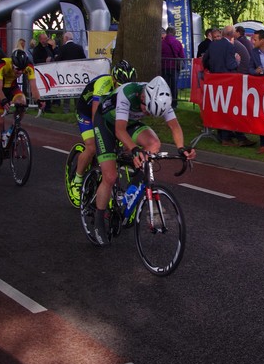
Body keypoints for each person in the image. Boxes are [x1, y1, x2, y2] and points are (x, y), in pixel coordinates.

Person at [88, 76, 196, 245]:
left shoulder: (161, 97)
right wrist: (134, 149)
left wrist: (181, 148)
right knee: (110, 176)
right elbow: (119, 130)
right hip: (106, 123)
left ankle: (133, 187)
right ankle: (99, 220)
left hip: (130, 122)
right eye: (147, 109)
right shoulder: (128, 93)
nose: (147, 114)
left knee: (153, 144)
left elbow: (174, 126)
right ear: (143, 97)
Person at [68, 59, 137, 205]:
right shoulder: (103, 83)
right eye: (120, 85)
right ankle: (77, 180)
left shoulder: (132, 90)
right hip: (87, 112)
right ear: (113, 80)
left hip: (108, 112)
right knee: (92, 146)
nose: (124, 89)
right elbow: (96, 115)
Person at [203, 25, 255, 146]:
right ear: (231, 34)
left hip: (215, 81)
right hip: (228, 81)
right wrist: (237, 61)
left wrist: (213, 70)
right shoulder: (229, 46)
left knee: (221, 108)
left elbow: (205, 61)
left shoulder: (213, 45)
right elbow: (231, 64)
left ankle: (227, 136)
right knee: (231, 109)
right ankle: (231, 138)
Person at [0, 49, 36, 157]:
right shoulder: (3, 64)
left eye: (22, 70)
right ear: (12, 64)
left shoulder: (29, 66)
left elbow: (33, 86)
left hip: (12, 89)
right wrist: (4, 100)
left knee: (22, 102)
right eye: (17, 69)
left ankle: (12, 130)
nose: (20, 72)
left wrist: (39, 100)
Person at [161, 26, 185, 108]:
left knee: (165, 85)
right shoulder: (177, 43)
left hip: (164, 67)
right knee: (174, 86)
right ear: (174, 33)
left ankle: (165, 103)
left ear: (167, 32)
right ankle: (174, 104)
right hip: (174, 67)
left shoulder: (162, 43)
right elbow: (182, 55)